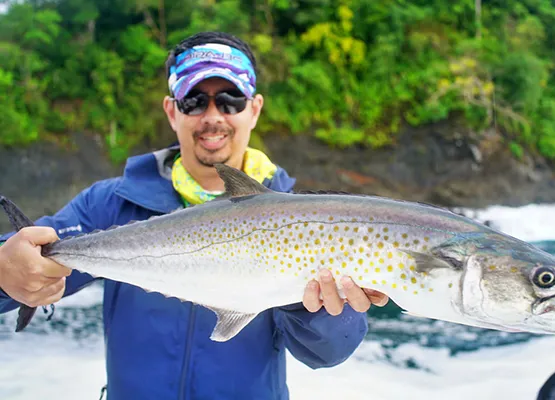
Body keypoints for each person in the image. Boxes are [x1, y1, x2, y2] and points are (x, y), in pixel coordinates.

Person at [0, 31, 388, 399]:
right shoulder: (111, 204)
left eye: (230, 100)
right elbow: (31, 257)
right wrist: (7, 274)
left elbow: (328, 353)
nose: (212, 116)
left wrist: (317, 308)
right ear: (172, 112)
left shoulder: (313, 221)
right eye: (194, 101)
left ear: (254, 109)